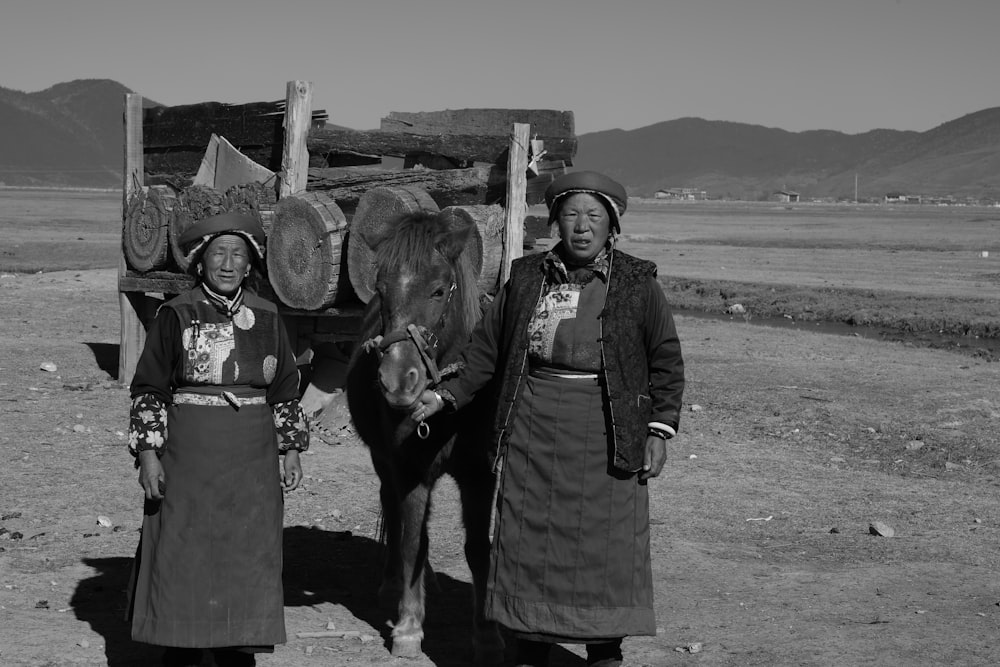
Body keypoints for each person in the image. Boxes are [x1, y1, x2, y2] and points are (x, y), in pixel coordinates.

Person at [412, 171, 685, 667]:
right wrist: (446, 396)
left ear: (612, 225)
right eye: (571, 215)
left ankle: (605, 649)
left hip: (608, 431)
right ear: (556, 221)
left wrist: (659, 429)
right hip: (532, 428)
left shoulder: (637, 285)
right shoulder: (526, 278)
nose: (582, 226)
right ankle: (530, 647)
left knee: (604, 547)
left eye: (594, 216)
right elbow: (485, 355)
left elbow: (665, 360)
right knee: (528, 541)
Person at [125, 212, 309, 667]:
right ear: (200, 262)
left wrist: (290, 450)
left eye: (238, 255)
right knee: (184, 551)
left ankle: (237, 646)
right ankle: (180, 646)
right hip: (189, 461)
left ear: (250, 265)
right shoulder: (177, 314)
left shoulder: (267, 317)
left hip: (252, 464)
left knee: (246, 554)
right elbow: (149, 388)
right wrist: (149, 455)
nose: (228, 264)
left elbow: (285, 388)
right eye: (218, 254)